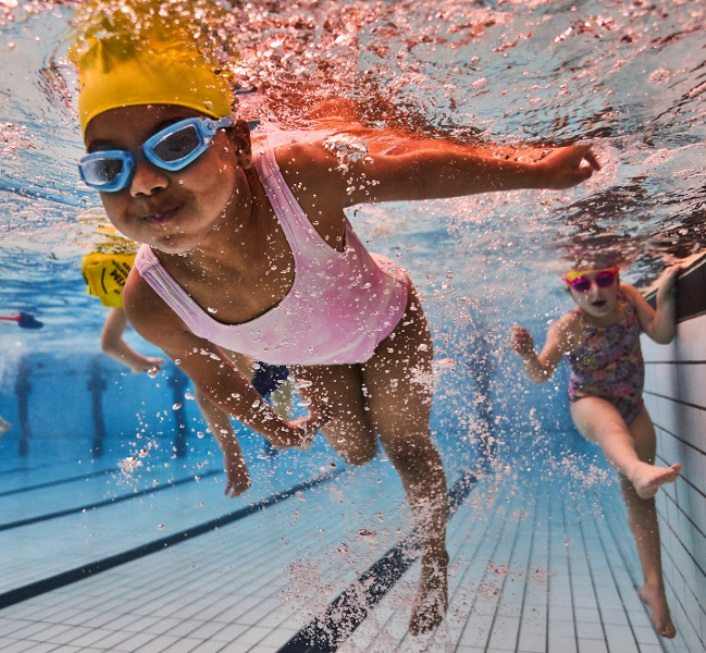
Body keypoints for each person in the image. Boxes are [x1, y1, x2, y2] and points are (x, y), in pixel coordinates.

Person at [70, 29, 598, 634]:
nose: (142, 183)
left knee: (404, 446)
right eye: (110, 166)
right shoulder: (149, 302)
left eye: (177, 144)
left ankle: (434, 559)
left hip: (389, 322)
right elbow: (212, 377)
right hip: (314, 353)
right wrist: (275, 429)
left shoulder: (296, 177)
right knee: (355, 451)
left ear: (238, 142)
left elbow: (415, 173)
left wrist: (535, 174)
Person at [511, 261, 681, 639]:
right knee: (613, 431)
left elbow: (662, 333)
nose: (595, 291)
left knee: (642, 500)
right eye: (581, 284)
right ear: (570, 289)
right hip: (589, 403)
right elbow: (540, 374)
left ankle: (654, 587)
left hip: (632, 403)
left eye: (603, 280)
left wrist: (668, 288)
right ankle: (636, 469)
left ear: (617, 279)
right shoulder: (570, 326)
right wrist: (526, 356)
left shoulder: (630, 300)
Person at [82, 249, 291, 497]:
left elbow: (109, 344)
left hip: (264, 359)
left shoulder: (142, 290)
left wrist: (232, 453)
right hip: (273, 346)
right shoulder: (163, 275)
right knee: (288, 421)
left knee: (285, 430)